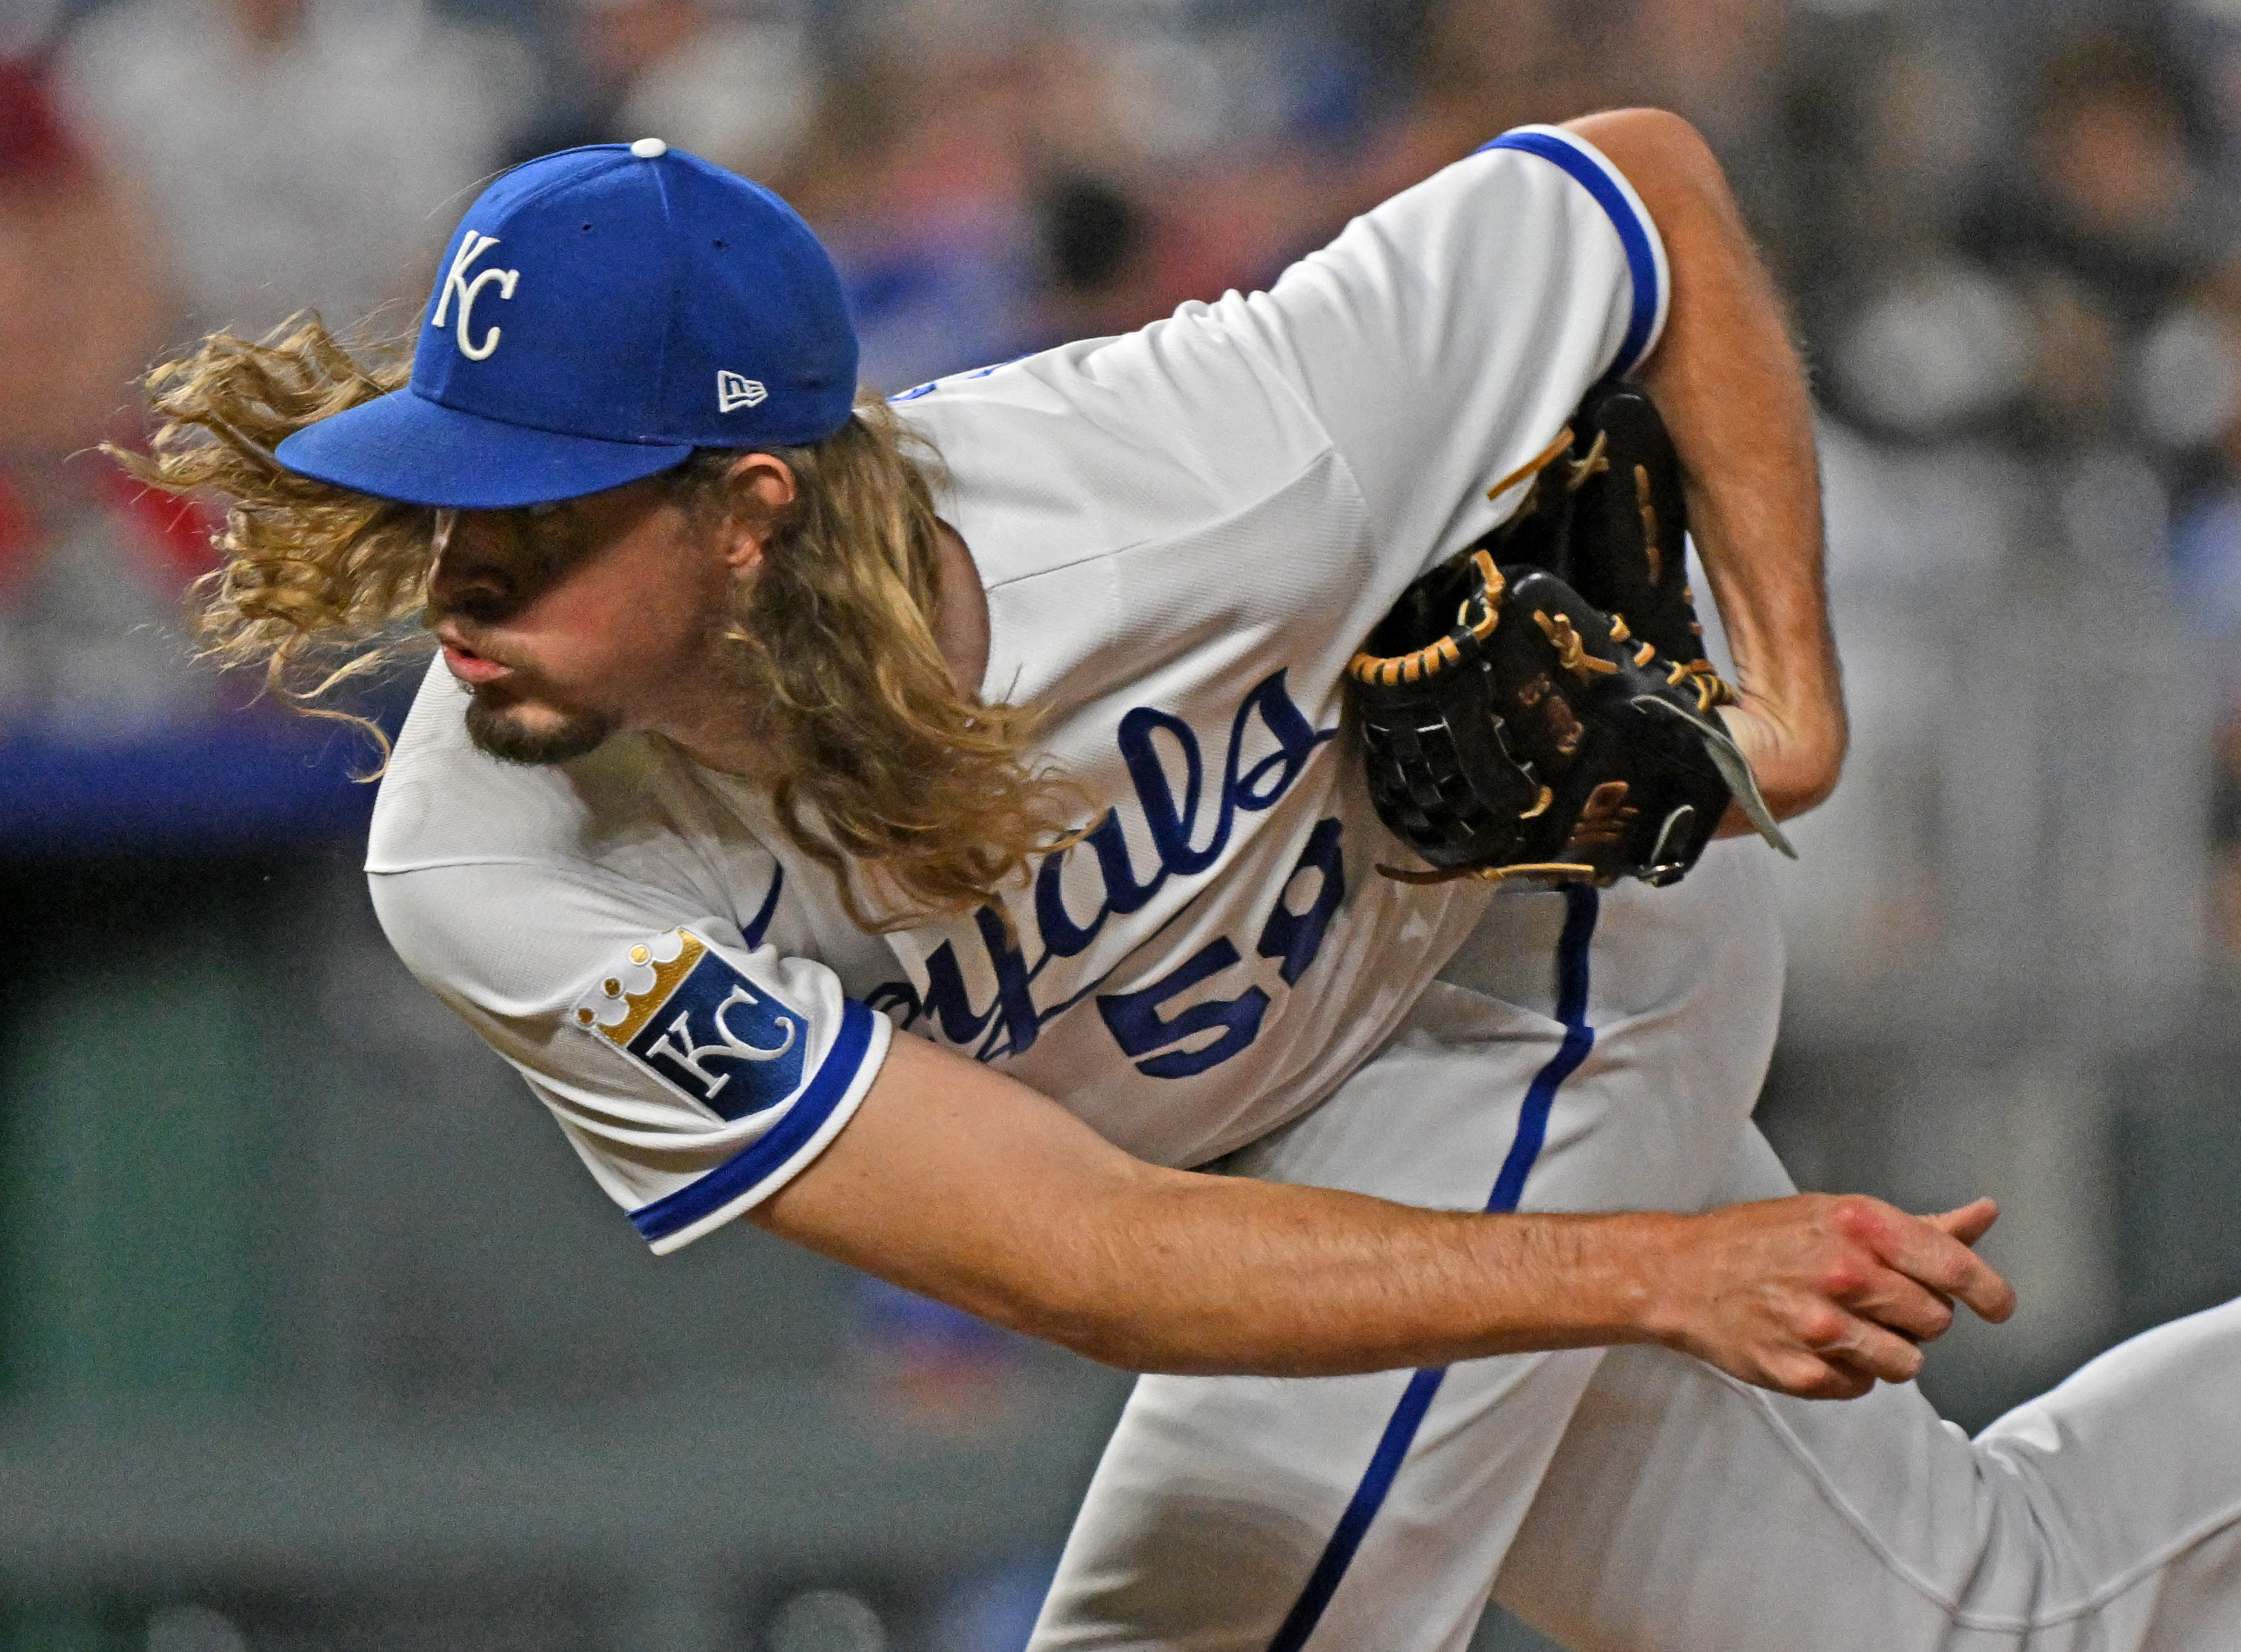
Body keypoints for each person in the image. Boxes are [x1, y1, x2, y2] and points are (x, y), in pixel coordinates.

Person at [129, 118, 2241, 1651]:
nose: (456, 577)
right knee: (1980, 1617)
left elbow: (1640, 192)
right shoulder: (483, 856)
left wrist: (1796, 699)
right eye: (444, 487)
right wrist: (1657, 1273)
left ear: (749, 508)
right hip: (1273, 1159)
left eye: (534, 513)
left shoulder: (1196, 458)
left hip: (1533, 972)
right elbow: (1085, 1248)